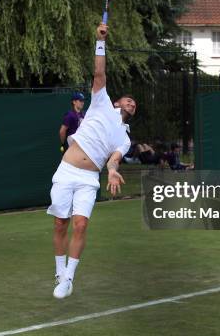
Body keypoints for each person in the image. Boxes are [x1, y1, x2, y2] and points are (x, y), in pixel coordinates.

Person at [48, 22, 136, 299]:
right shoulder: (101, 101)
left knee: (81, 224)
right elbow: (99, 72)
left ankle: (69, 278)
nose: (132, 104)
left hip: (88, 179)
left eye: (135, 105)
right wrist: (101, 42)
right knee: (60, 223)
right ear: (118, 102)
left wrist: (111, 171)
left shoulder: (124, 138)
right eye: (128, 101)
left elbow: (114, 159)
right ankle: (59, 271)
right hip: (66, 170)